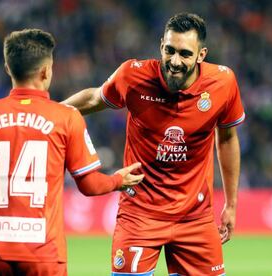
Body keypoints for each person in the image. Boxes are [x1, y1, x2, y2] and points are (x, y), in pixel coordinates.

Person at [0, 28, 144, 276]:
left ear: (8, 69)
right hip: (44, 253)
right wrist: (119, 180)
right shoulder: (67, 117)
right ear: (46, 71)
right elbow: (89, 185)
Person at [62, 13, 245, 276]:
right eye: (169, 50)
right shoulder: (133, 76)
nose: (174, 61)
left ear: (201, 55)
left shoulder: (223, 83)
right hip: (139, 214)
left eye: (184, 54)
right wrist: (46, 111)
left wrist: (231, 203)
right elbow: (93, 99)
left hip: (195, 216)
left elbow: (227, 138)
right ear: (161, 45)